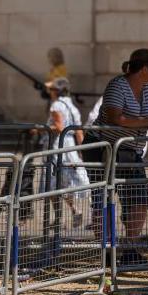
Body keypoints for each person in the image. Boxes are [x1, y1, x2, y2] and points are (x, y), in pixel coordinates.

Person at [87, 49, 148, 263]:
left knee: (140, 198)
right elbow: (117, 118)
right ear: (144, 69)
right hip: (103, 146)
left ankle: (130, 247)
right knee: (103, 197)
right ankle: (106, 250)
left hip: (130, 149)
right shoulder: (117, 85)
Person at [45, 77, 90, 229]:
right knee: (64, 183)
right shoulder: (72, 106)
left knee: (52, 185)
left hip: (58, 146)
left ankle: (59, 218)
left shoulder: (57, 105)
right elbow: (78, 131)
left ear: (57, 91)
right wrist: (81, 149)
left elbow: (59, 127)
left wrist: (40, 128)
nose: (49, 92)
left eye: (51, 89)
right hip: (69, 147)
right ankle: (74, 211)